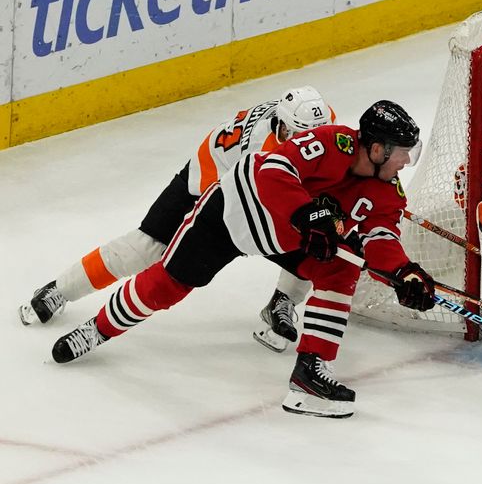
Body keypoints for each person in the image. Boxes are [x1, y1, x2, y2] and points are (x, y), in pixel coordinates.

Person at [49, 100, 437, 419]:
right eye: (403, 152)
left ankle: (309, 374)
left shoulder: (389, 192)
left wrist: (403, 272)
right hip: (236, 211)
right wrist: (306, 215)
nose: (406, 161)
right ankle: (97, 329)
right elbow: (272, 168)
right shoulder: (333, 142)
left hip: (287, 234)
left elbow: (381, 236)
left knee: (340, 269)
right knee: (168, 285)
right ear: (376, 147)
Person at [19, 86, 332, 342]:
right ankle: (59, 289)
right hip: (210, 180)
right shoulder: (265, 150)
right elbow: (268, 205)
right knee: (146, 247)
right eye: (300, 134)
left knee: (318, 239)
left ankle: (283, 301)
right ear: (283, 124)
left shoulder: (313, 124)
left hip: (250, 184)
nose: (310, 142)